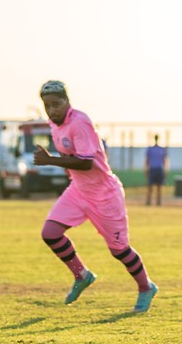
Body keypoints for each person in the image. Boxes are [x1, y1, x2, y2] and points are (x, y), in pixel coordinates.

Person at [35, 80, 158, 310]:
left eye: (56, 104)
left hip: (104, 195)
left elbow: (86, 162)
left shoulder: (80, 122)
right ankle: (81, 275)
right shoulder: (54, 124)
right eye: (47, 106)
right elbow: (71, 157)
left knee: (119, 250)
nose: (52, 110)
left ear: (67, 101)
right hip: (79, 190)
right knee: (50, 233)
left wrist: (50, 160)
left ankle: (146, 287)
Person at [144, 134, 168, 206]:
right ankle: (149, 202)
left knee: (158, 187)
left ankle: (158, 202)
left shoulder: (162, 149)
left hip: (158, 169)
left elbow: (164, 161)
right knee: (151, 187)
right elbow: (147, 160)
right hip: (153, 169)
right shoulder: (151, 149)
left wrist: (165, 170)